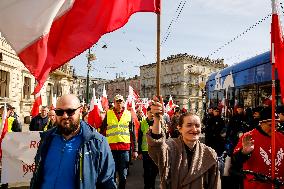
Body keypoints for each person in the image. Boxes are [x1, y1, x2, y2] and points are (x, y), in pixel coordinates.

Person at [30, 94, 116, 189]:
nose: (65, 116)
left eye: (70, 111)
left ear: (80, 110)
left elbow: (107, 182)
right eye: (59, 112)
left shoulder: (97, 142)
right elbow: (37, 176)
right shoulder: (47, 139)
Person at [147, 96, 221, 189]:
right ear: (179, 128)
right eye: (189, 125)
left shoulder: (209, 154)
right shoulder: (170, 147)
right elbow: (157, 147)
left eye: (197, 125)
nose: (194, 129)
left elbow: (215, 184)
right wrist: (157, 119)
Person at [231, 106, 284, 189]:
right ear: (261, 123)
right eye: (271, 125)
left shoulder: (281, 137)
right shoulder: (248, 137)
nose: (274, 129)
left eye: (276, 126)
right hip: (256, 186)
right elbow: (235, 162)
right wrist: (244, 153)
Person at [100, 94, 138, 189]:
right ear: (114, 102)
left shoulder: (128, 114)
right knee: (111, 173)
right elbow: (102, 130)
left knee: (123, 175)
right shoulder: (108, 114)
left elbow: (132, 133)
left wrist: (135, 150)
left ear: (123, 103)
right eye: (117, 101)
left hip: (124, 149)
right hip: (111, 149)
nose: (119, 103)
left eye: (120, 101)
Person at [138, 106, 158, 189]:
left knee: (154, 171)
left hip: (155, 151)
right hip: (145, 151)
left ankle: (152, 186)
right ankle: (146, 186)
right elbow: (139, 138)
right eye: (150, 112)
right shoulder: (142, 123)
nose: (152, 114)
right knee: (147, 171)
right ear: (147, 113)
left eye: (153, 113)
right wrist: (139, 152)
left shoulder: (158, 123)